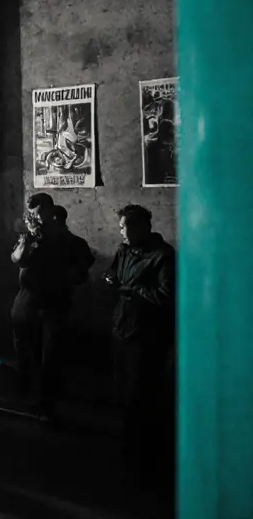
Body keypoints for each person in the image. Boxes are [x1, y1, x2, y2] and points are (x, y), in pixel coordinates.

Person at [104, 204, 175, 483]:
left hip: (147, 335)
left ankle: (147, 452)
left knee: (143, 393)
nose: (121, 232)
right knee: (123, 389)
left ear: (141, 227)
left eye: (125, 227)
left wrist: (133, 291)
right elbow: (114, 273)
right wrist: (110, 279)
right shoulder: (124, 250)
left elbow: (167, 295)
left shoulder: (163, 256)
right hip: (122, 327)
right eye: (121, 227)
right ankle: (131, 441)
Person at [10, 193, 94, 422]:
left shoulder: (70, 241)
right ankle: (28, 396)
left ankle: (47, 405)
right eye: (31, 214)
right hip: (26, 304)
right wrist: (27, 241)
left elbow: (82, 270)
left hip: (53, 305)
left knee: (49, 356)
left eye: (37, 213)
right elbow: (17, 259)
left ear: (49, 211)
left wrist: (63, 278)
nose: (34, 218)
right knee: (27, 352)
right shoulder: (30, 237)